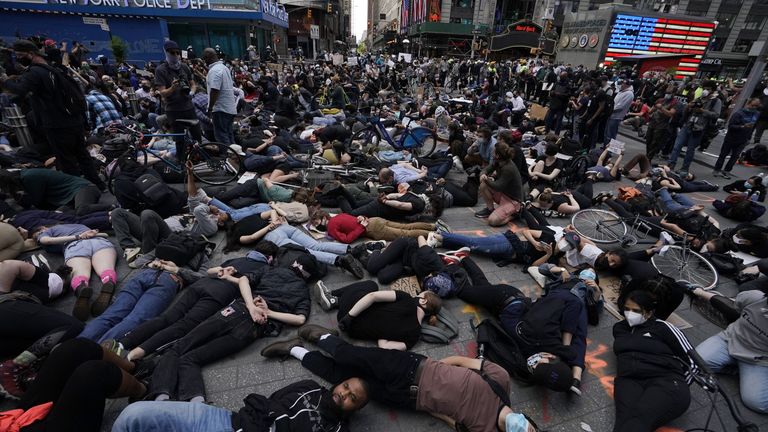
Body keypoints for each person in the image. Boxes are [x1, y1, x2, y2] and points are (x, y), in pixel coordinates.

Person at [261, 328, 541, 432]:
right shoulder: (500, 380)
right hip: (412, 369)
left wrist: (440, 413)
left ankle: (294, 350)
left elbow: (449, 415)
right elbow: (461, 361)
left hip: (408, 398)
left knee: (340, 377)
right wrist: (430, 369)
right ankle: (322, 336)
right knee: (351, 357)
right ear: (530, 422)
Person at [143, 250, 314, 402]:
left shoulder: (271, 270)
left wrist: (251, 306)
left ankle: (161, 398)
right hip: (252, 330)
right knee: (191, 359)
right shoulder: (302, 291)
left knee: (177, 349)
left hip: (234, 311)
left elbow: (244, 280)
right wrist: (268, 313)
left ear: (293, 263)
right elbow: (299, 319)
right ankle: (197, 404)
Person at [0, 40, 105, 189]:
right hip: (74, 121)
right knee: (82, 156)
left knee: (66, 161)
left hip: (57, 124)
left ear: (30, 54)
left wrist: (4, 80)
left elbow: (20, 90)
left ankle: (80, 191)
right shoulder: (55, 69)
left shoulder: (34, 73)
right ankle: (98, 185)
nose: (18, 59)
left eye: (19, 55)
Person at [112, 376, 367, 432]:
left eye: (352, 398)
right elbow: (271, 400)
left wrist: (277, 418)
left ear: (354, 409)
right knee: (133, 414)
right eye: (346, 387)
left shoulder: (337, 430)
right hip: (225, 420)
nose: (344, 394)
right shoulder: (310, 387)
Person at [0, 338, 146, 432]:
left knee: (74, 349)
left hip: (11, 422)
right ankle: (146, 391)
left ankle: (135, 367)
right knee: (93, 373)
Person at [613, 290, 698, 431]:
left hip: (664, 379)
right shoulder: (619, 329)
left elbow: (693, 361)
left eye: (636, 310)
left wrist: (679, 385)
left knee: (639, 418)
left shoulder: (662, 327)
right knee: (624, 422)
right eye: (627, 309)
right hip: (629, 380)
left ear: (649, 313)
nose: (629, 313)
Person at [690, 287, 767, 413]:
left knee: (757, 403)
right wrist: (699, 292)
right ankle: (739, 371)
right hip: (729, 340)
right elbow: (732, 304)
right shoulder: (755, 297)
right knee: (696, 363)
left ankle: (747, 373)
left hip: (758, 360)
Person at [315, 279, 441, 350]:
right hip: (353, 331)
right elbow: (383, 346)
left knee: (371, 285)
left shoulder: (406, 298)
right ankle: (334, 300)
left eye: (421, 294)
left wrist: (350, 316)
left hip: (349, 313)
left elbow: (373, 296)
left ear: (423, 301)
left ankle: (333, 297)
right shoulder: (414, 336)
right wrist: (384, 330)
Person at [34, 224, 117, 321]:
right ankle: (108, 281)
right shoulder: (78, 225)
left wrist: (78, 237)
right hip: (99, 241)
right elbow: (105, 235)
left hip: (75, 246)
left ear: (43, 228)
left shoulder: (47, 231)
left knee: (80, 274)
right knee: (106, 269)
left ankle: (81, 286)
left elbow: (46, 240)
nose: (38, 238)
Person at [154, 40, 203, 162]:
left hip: (188, 106)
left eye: (177, 52)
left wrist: (191, 92)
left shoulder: (184, 67)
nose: (175, 55)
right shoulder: (161, 70)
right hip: (174, 110)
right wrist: (173, 88)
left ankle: (199, 158)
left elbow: (193, 84)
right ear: (166, 53)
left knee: (197, 135)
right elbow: (162, 92)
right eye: (172, 52)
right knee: (179, 140)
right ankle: (182, 163)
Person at [0, 168, 112, 216]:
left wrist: (17, 195)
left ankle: (114, 207)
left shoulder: (29, 177)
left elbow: (35, 202)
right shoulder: (22, 179)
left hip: (84, 188)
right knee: (61, 215)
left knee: (81, 211)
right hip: (69, 197)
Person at [474, 142, 524, 226]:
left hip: (513, 200)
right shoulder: (498, 161)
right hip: (503, 194)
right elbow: (486, 169)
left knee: (493, 221)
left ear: (497, 155)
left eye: (493, 151)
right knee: (483, 184)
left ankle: (515, 215)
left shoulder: (508, 168)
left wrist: (486, 179)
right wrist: (483, 175)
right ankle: (490, 209)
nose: (492, 152)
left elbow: (498, 186)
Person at [713, 97, 762, 179]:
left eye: (756, 106)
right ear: (748, 104)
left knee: (735, 156)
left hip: (743, 139)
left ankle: (727, 171)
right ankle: (717, 169)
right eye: (753, 105)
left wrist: (749, 137)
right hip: (732, 138)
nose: (754, 107)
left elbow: (753, 126)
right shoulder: (739, 114)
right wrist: (742, 126)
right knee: (723, 154)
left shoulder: (756, 114)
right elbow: (731, 126)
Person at [203, 47, 237, 145]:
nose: (204, 60)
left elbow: (214, 90)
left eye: (204, 58)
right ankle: (235, 157)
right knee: (229, 134)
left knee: (221, 136)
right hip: (229, 108)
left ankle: (227, 157)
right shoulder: (223, 68)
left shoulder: (214, 71)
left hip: (220, 109)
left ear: (209, 57)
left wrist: (210, 108)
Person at [604, 79, 634, 144]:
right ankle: (605, 148)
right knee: (607, 133)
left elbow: (620, 106)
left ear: (627, 85)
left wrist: (610, 110)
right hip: (611, 115)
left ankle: (609, 151)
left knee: (611, 135)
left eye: (623, 83)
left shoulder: (629, 94)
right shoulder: (622, 91)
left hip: (616, 117)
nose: (621, 85)